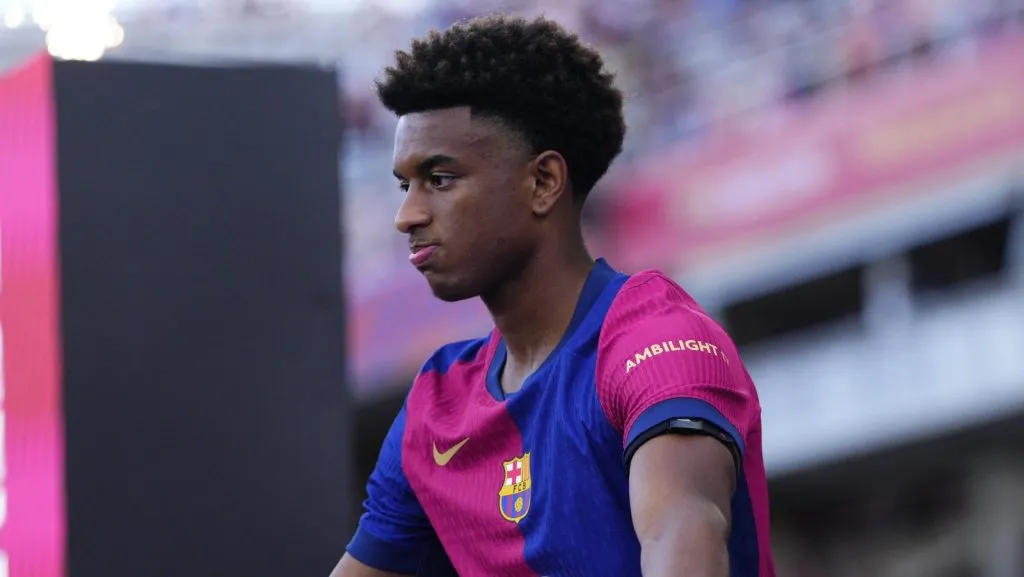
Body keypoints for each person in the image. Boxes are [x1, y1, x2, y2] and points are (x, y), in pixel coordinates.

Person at [331, 14, 775, 577]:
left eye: (440, 179)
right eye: (405, 185)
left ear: (543, 182)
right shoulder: (435, 405)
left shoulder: (656, 343)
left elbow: (680, 535)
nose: (407, 215)